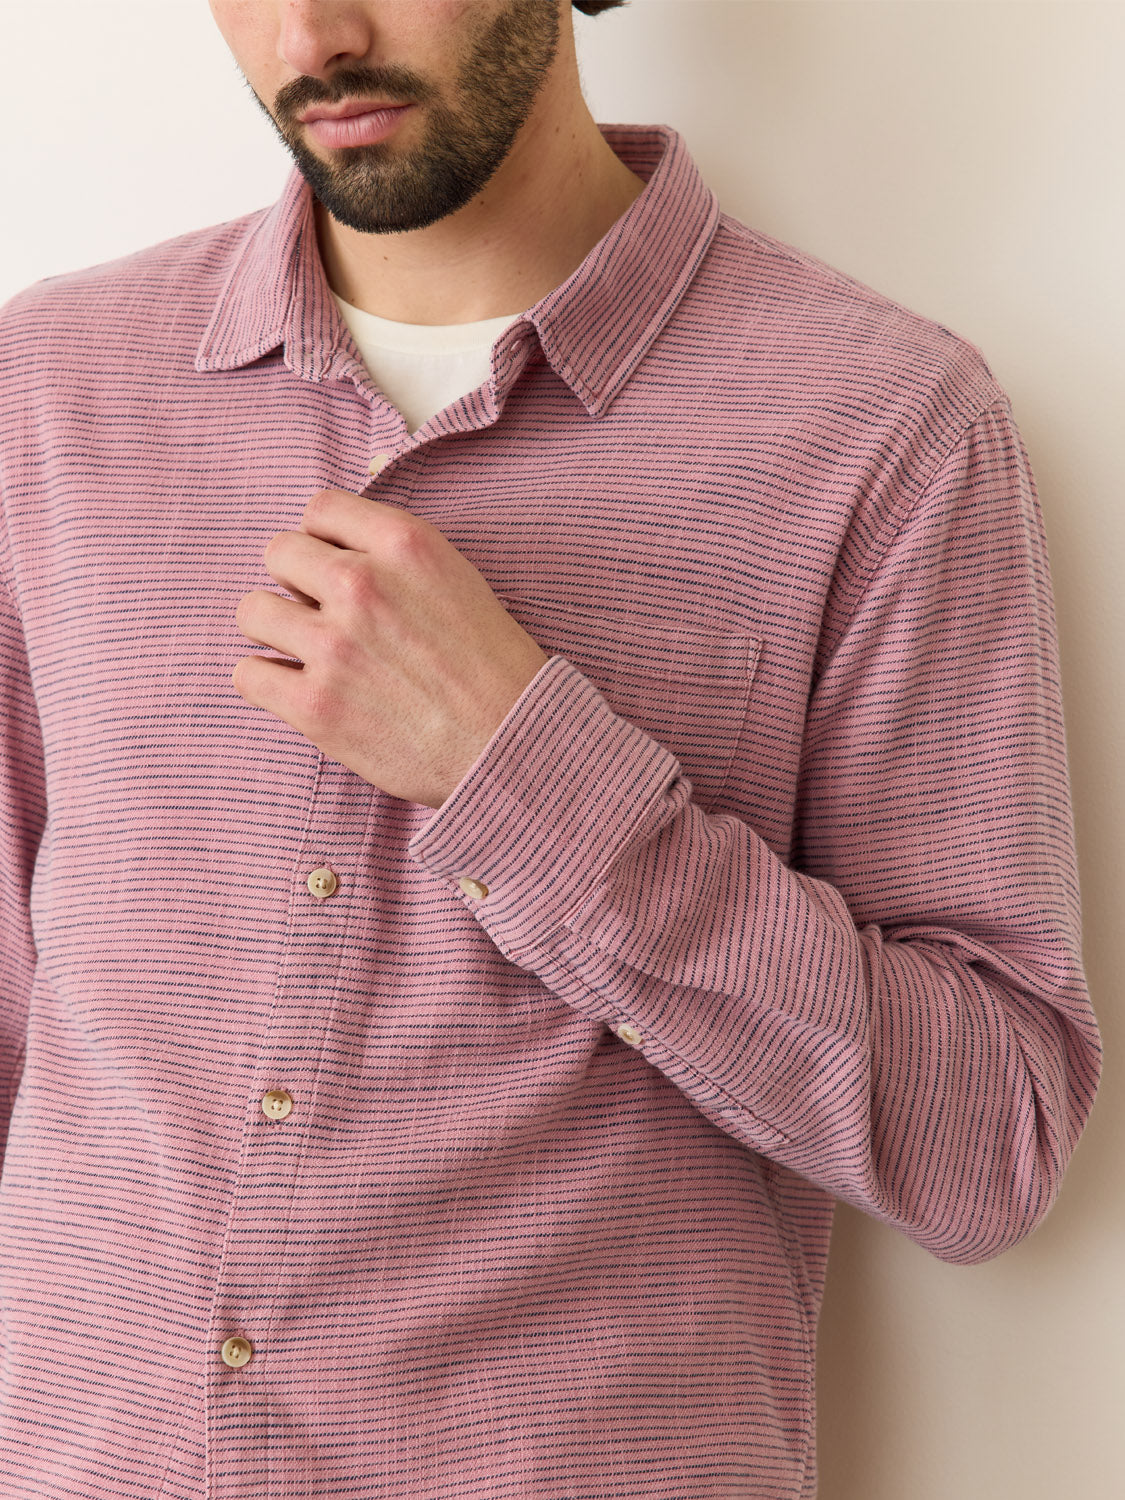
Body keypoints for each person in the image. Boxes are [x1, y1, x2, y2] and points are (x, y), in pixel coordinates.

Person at [0, 1, 1101, 1495]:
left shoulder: (880, 429)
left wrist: (518, 773)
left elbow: (990, 1146)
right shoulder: (49, 387)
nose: (311, 36)